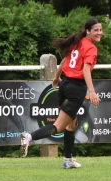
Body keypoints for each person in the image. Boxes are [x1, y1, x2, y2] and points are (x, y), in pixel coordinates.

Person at [20, 18, 102, 168]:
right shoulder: (90, 48)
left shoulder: (78, 42)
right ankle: (29, 137)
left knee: (72, 124)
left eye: (100, 29)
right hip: (76, 88)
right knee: (58, 126)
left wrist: (57, 77)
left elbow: (65, 60)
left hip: (65, 85)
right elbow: (85, 70)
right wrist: (92, 91)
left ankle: (68, 160)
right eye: (96, 30)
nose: (99, 32)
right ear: (88, 31)